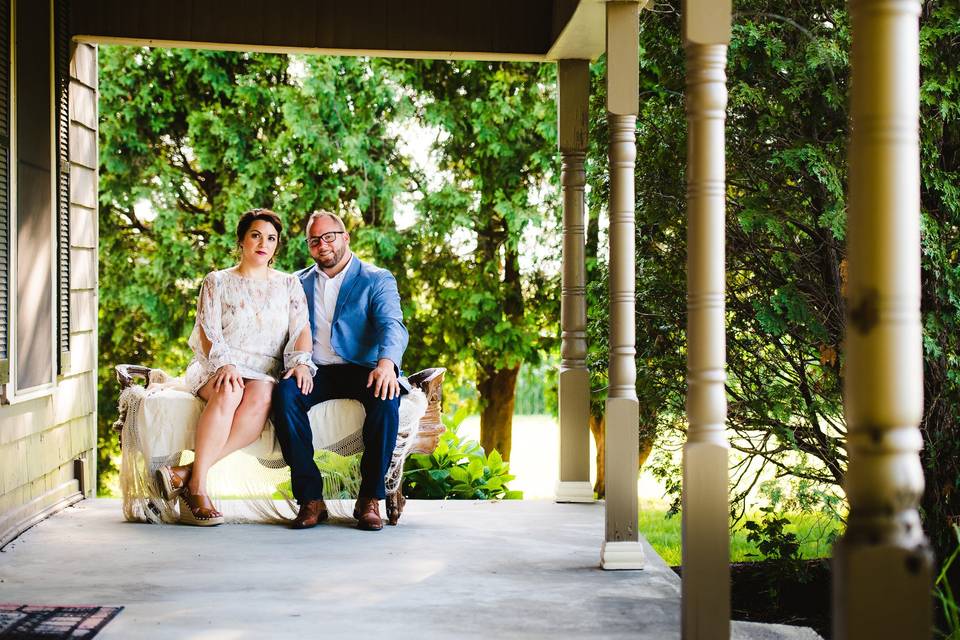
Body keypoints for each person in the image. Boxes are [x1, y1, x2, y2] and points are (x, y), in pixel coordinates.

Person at [155, 209, 316, 526]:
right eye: (256, 235)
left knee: (262, 395)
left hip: (263, 370)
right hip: (218, 363)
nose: (263, 243)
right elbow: (207, 330)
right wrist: (224, 363)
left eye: (271, 238)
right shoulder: (217, 281)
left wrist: (299, 363)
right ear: (242, 240)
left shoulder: (289, 285)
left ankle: (187, 474)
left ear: (276, 247)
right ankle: (199, 488)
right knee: (229, 391)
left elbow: (301, 331)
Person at [272, 210, 409, 531]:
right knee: (285, 394)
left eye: (329, 236)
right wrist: (297, 363)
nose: (323, 245)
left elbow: (393, 325)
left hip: (363, 369)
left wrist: (387, 365)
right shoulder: (296, 283)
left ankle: (369, 499)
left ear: (346, 237)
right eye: (314, 240)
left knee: (387, 400)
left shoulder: (376, 278)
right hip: (314, 371)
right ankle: (311, 499)